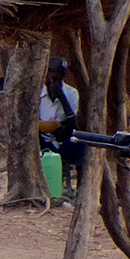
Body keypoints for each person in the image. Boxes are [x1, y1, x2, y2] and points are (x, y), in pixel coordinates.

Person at [39, 59, 83, 192]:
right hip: (44, 140)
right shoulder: (38, 93)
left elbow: (74, 124)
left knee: (82, 142)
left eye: (56, 73)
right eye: (49, 72)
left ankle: (80, 189)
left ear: (63, 75)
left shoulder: (71, 93)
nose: (52, 77)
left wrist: (62, 98)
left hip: (64, 140)